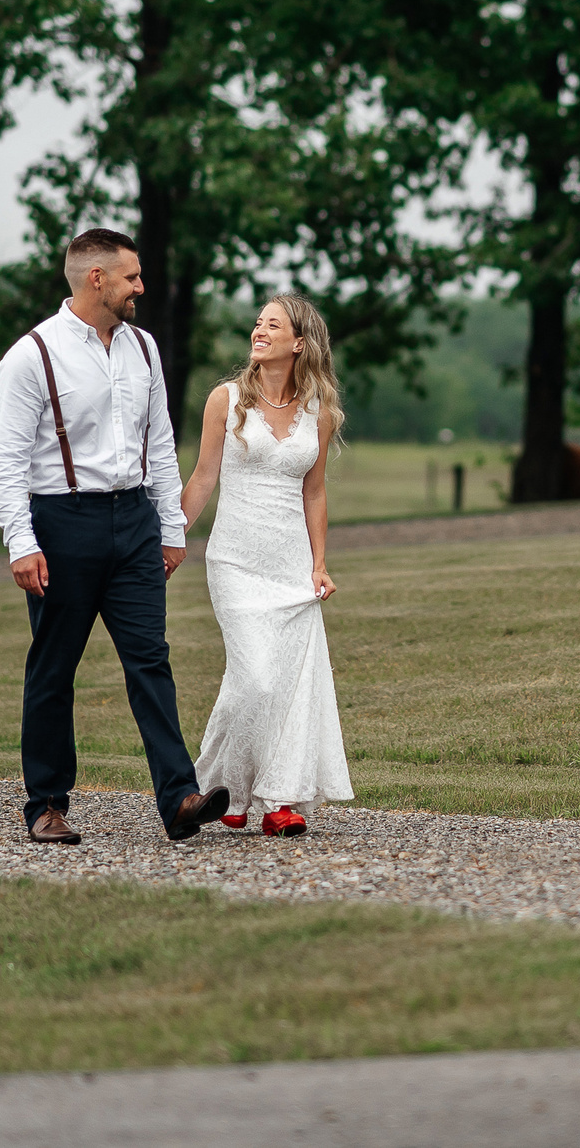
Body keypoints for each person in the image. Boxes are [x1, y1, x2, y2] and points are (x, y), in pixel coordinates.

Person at [0, 228, 229, 845]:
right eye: (132, 278)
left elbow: (161, 450)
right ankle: (45, 805)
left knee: (151, 660)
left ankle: (179, 799)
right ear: (96, 279)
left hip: (135, 526)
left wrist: (170, 530)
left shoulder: (143, 349)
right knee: (53, 668)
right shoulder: (31, 355)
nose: (141, 287)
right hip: (61, 525)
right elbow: (7, 462)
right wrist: (22, 542)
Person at [179, 294, 353, 838]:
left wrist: (320, 564)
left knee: (291, 682)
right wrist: (168, 538)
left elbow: (315, 492)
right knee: (254, 678)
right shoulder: (225, 400)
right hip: (234, 561)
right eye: (257, 323)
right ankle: (224, 782)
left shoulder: (318, 413)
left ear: (299, 343)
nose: (258, 331)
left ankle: (278, 800)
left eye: (272, 325)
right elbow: (204, 477)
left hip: (292, 568)